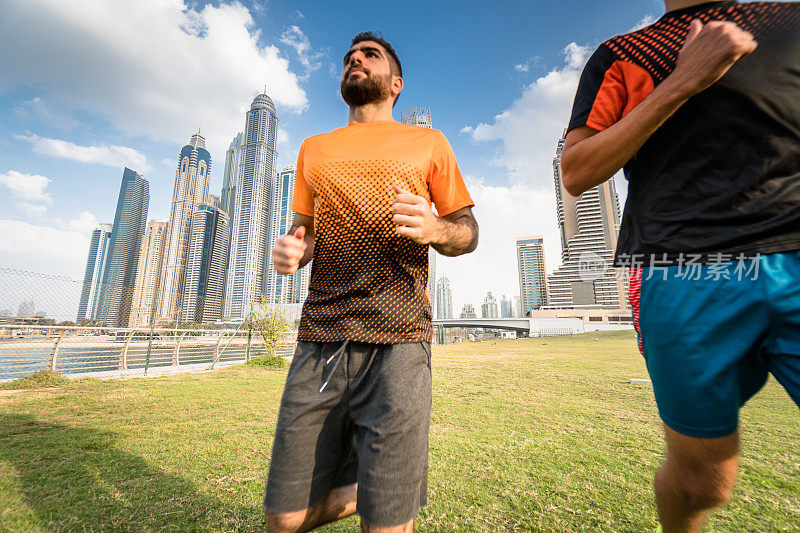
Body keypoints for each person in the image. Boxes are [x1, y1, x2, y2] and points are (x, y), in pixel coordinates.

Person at [561, 1, 800, 531]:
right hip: (681, 268)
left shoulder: (788, 20)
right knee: (701, 483)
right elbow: (576, 171)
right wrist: (684, 81)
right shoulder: (621, 54)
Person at [263, 31, 478, 533]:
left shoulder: (429, 142)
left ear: (395, 83)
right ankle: (370, 487)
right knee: (284, 518)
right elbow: (306, 230)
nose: (354, 60)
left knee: (386, 525)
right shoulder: (313, 149)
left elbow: (466, 233)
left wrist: (434, 228)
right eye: (348, 58)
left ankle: (387, 495)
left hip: (399, 341)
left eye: (369, 55)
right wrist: (295, 248)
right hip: (321, 336)